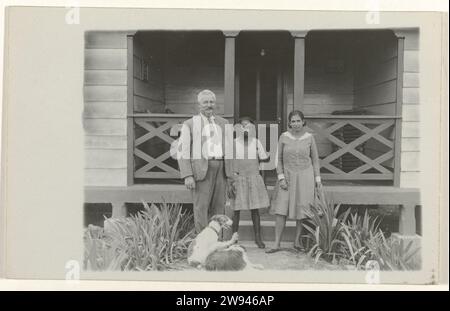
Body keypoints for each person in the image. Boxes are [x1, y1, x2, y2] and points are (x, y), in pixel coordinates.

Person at [178, 90, 234, 234]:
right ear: (199, 105)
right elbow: (183, 151)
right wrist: (187, 175)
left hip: (221, 168)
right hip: (201, 169)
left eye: (211, 102)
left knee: (219, 208)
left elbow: (229, 149)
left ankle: (217, 241)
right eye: (205, 102)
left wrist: (230, 174)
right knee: (201, 207)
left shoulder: (224, 123)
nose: (209, 105)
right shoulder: (189, 124)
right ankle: (203, 242)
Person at [266, 110, 322, 253]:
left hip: (305, 177)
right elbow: (278, 159)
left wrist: (317, 180)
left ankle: (297, 242)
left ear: (303, 121)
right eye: (293, 121)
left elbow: (315, 160)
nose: (296, 124)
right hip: (288, 177)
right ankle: (276, 243)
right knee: (281, 210)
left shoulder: (310, 138)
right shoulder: (284, 137)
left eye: (298, 121)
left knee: (302, 210)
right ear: (289, 123)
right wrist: (281, 177)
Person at [229, 117, 270, 248]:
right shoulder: (234, 143)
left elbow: (264, 158)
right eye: (242, 126)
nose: (245, 129)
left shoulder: (256, 142)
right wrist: (232, 179)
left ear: (252, 129)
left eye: (248, 127)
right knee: (236, 210)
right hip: (238, 178)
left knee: (255, 209)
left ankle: (258, 237)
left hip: (253, 178)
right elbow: (230, 162)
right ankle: (233, 237)